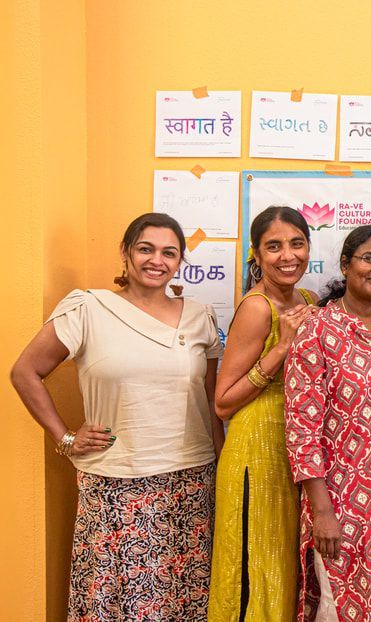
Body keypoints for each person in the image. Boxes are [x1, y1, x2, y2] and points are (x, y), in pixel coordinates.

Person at [10, 213, 223, 620]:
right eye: (145, 249)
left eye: (169, 252)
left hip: (191, 480)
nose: (156, 260)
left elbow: (209, 399)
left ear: (180, 262)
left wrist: (220, 462)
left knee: (185, 598)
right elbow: (25, 372)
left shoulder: (200, 317)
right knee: (117, 597)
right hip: (116, 481)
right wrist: (65, 437)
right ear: (125, 253)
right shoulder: (88, 308)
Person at [284, 225, 371, 622]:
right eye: (370, 258)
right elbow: (301, 430)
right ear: (346, 265)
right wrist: (322, 510)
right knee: (343, 607)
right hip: (339, 501)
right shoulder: (316, 330)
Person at [209, 206, 318, 622]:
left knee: (284, 565)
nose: (287, 255)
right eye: (273, 246)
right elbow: (223, 401)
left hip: (293, 451)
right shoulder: (257, 307)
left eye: (296, 243)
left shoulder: (308, 299)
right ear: (256, 254)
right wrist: (280, 348)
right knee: (255, 565)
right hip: (255, 451)